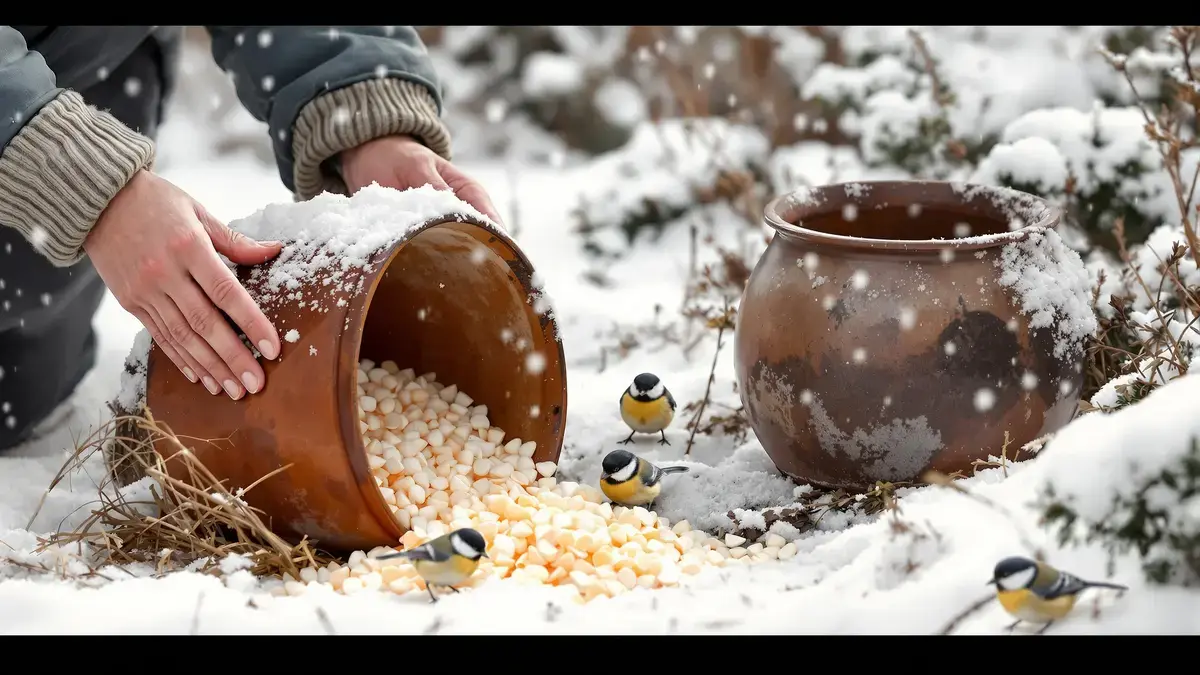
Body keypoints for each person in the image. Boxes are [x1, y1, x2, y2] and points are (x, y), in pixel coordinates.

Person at [0, 26, 502, 451]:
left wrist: (361, 106)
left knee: (25, 387)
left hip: (85, 88)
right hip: (27, 134)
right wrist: (74, 172)